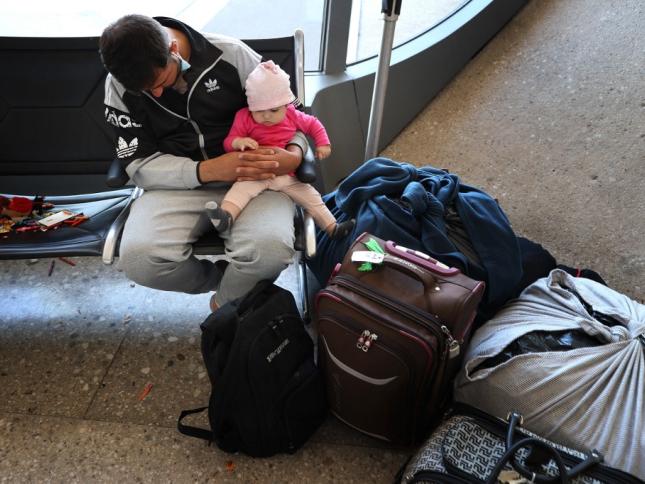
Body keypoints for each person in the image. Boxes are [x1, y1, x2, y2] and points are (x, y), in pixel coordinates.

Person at [99, 14, 309, 312]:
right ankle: (235, 286)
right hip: (173, 187)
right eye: (145, 92)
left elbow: (297, 118)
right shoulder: (119, 85)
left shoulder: (233, 55)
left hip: (255, 180)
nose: (156, 94)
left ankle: (223, 304)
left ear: (173, 49)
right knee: (139, 261)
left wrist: (295, 153)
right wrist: (206, 170)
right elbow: (138, 163)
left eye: (160, 82)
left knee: (270, 250)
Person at [205, 60, 355, 240]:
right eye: (259, 111)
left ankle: (332, 228)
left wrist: (323, 143)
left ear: (285, 104)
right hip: (255, 175)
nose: (266, 116)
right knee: (238, 192)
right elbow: (228, 142)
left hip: (286, 175)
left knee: (311, 196)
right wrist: (239, 142)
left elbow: (313, 124)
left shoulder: (292, 114)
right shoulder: (244, 116)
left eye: (274, 110)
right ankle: (225, 218)